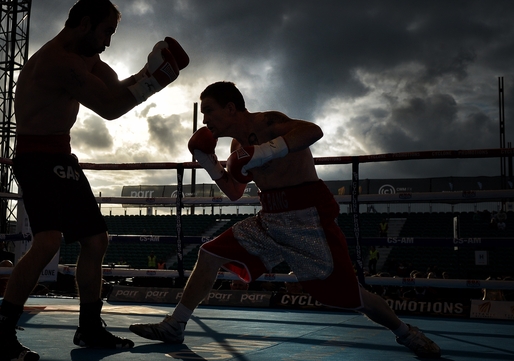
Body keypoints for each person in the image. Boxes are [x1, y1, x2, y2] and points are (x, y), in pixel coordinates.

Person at [129, 81, 441, 358]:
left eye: (209, 111)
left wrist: (266, 151)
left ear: (230, 107)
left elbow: (313, 131)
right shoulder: (236, 148)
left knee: (349, 297)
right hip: (270, 218)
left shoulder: (268, 122)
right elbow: (235, 192)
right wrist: (209, 163)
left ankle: (405, 333)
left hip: (309, 218)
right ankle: (176, 324)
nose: (205, 119)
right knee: (209, 253)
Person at [0, 1, 189, 360]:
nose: (108, 42)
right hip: (35, 157)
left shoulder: (86, 57)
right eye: (106, 31)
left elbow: (116, 90)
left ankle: (90, 327)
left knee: (96, 240)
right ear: (86, 24)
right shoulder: (57, 62)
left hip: (61, 155)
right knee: (47, 242)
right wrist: (156, 79)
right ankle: (1, 333)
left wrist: (146, 72)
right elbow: (110, 109)